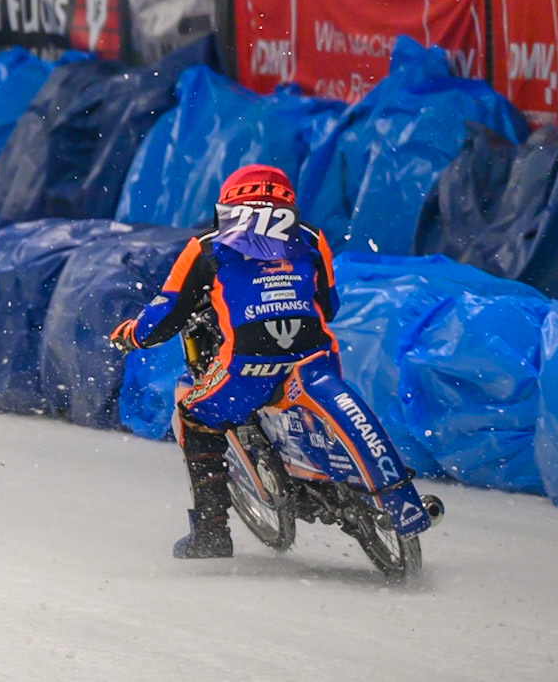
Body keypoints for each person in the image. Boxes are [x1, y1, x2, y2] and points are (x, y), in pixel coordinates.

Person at [107, 164, 407, 559]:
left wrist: (131, 335)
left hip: (247, 365)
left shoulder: (206, 245)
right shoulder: (312, 237)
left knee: (196, 416)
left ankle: (211, 534)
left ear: (227, 202)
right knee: (304, 380)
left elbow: (166, 315)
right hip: (315, 357)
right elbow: (329, 305)